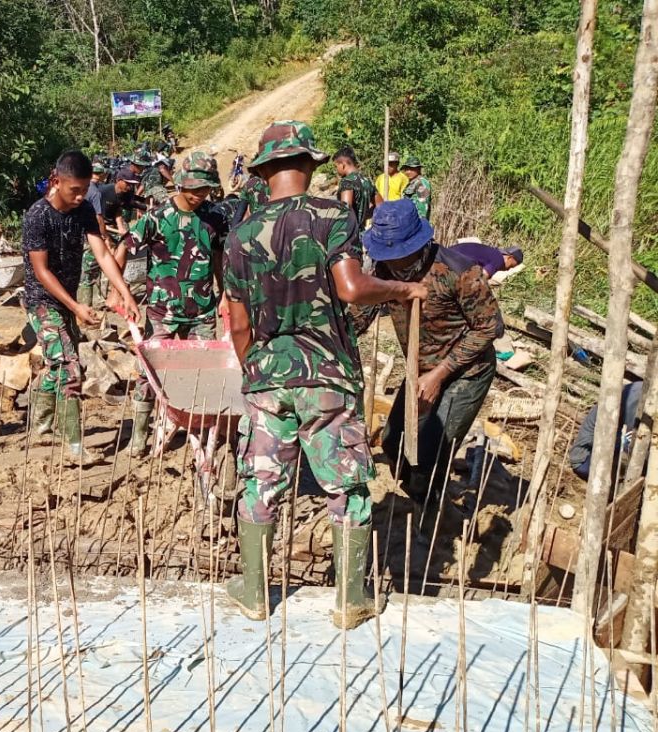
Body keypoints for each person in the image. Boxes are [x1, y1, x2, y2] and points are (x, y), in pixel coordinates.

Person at [223, 121, 426, 629]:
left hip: (268, 375)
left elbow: (239, 319)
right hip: (327, 374)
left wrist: (255, 366)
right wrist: (404, 292)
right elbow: (352, 289)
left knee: (262, 481)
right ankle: (349, 600)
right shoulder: (333, 215)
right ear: (311, 165)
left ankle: (253, 592)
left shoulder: (241, 234)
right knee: (347, 485)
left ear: (263, 171)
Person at [361, 200, 504, 509]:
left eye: (401, 256)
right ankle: (408, 494)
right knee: (393, 442)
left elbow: (488, 328)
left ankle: (427, 513)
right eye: (389, 257)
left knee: (430, 451)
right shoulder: (382, 271)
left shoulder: (460, 272)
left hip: (466, 371)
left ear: (419, 244)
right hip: (420, 368)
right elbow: (359, 315)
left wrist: (439, 375)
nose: (395, 264)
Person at [22, 149, 140, 464]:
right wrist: (76, 307)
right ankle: (74, 446)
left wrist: (123, 291)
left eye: (84, 190)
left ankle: (42, 424)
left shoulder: (85, 209)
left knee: (57, 365)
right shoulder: (37, 216)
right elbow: (41, 272)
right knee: (69, 366)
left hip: (66, 301)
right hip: (41, 302)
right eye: (74, 190)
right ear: (56, 181)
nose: (79, 196)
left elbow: (102, 254)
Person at [116, 150, 226, 456]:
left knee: (202, 373)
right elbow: (123, 248)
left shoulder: (215, 217)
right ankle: (139, 437)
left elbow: (218, 256)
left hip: (202, 312)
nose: (199, 196)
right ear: (180, 185)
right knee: (147, 372)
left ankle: (200, 437)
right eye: (194, 189)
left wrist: (225, 292)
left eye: (205, 190)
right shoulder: (158, 218)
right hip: (163, 311)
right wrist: (119, 290)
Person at [569, 381, 644, 482]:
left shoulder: (642, 391)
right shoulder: (638, 395)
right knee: (637, 446)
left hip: (606, 450)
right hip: (585, 459)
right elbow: (635, 437)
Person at [78, 172, 130, 306]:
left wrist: (119, 226)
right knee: (89, 268)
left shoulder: (124, 193)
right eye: (95, 174)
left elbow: (117, 210)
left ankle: (101, 300)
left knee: (103, 265)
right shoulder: (98, 192)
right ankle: (86, 304)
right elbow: (98, 218)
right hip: (96, 231)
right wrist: (105, 237)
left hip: (105, 230)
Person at [333, 146, 377, 232]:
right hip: (362, 231)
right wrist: (365, 214)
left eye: (336, 166)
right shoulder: (367, 181)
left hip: (349, 233)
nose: (336, 170)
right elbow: (381, 205)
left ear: (342, 165)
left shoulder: (347, 182)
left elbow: (345, 211)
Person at [449, 240, 524, 278]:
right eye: (511, 266)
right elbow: (481, 278)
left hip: (445, 255)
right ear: (509, 257)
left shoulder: (491, 253)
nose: (508, 270)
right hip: (451, 263)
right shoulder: (498, 259)